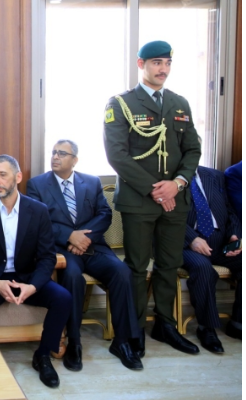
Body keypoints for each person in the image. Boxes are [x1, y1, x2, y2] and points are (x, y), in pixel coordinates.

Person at [103, 40, 202, 357]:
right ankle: (133, 331)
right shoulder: (121, 104)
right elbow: (117, 155)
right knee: (136, 266)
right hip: (139, 202)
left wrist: (178, 183)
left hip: (175, 200)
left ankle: (165, 325)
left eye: (167, 63)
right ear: (141, 64)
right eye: (157, 62)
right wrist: (156, 190)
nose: (163, 69)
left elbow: (193, 150)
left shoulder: (179, 103)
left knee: (169, 265)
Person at [27, 140, 142, 371]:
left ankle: (122, 341)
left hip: (93, 246)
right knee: (71, 276)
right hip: (61, 249)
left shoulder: (91, 182)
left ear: (75, 160)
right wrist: (70, 236)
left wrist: (84, 238)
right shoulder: (37, 185)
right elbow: (36, 221)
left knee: (122, 273)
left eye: (62, 153)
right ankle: (74, 342)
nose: (55, 156)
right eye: (54, 152)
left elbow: (104, 213)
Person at [0, 155, 71, 388]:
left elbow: (47, 257)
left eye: (3, 175)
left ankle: (43, 355)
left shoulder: (38, 210)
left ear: (18, 177)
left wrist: (33, 286)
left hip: (26, 276)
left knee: (62, 298)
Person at [182, 163, 241, 349]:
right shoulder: (167, 179)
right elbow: (164, 217)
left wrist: (234, 235)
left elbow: (230, 210)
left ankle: (238, 323)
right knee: (203, 268)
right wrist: (192, 239)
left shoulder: (214, 175)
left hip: (220, 241)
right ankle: (206, 328)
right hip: (185, 244)